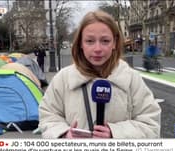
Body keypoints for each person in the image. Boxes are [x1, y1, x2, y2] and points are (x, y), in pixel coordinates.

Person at [39, 10, 161, 139]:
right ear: (80, 43)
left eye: (105, 41)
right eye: (90, 41)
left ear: (114, 43)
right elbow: (48, 117)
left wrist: (115, 134)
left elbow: (151, 124)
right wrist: (64, 134)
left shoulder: (132, 79)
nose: (97, 49)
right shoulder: (63, 79)